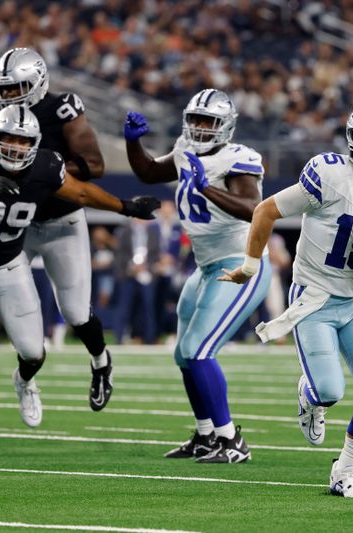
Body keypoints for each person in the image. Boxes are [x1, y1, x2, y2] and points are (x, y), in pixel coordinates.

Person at [0, 105, 158, 454]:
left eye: (22, 141)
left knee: (34, 352)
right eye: (7, 138)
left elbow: (82, 193)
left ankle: (23, 382)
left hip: (9, 269)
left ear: (34, 143)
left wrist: (126, 207)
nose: (14, 147)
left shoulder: (47, 165)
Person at [221, 97, 353, 497]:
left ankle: (344, 471)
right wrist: (248, 264)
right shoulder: (327, 173)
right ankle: (310, 396)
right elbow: (264, 211)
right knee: (329, 390)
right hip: (313, 297)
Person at [0, 47, 114, 426]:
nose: (11, 95)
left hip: (62, 223)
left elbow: (95, 166)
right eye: (5, 87)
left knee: (74, 312)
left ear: (38, 81)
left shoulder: (62, 109)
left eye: (19, 86)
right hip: (16, 226)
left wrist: (40, 167)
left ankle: (101, 363)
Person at [124, 89, 272, 463]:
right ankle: (206, 435)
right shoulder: (185, 149)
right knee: (184, 354)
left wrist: (205, 186)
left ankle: (231, 440)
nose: (200, 128)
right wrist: (133, 144)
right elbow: (148, 172)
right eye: (196, 120)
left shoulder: (238, 157)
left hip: (240, 264)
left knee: (199, 350)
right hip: (206, 267)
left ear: (226, 126)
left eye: (209, 122)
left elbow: (253, 207)